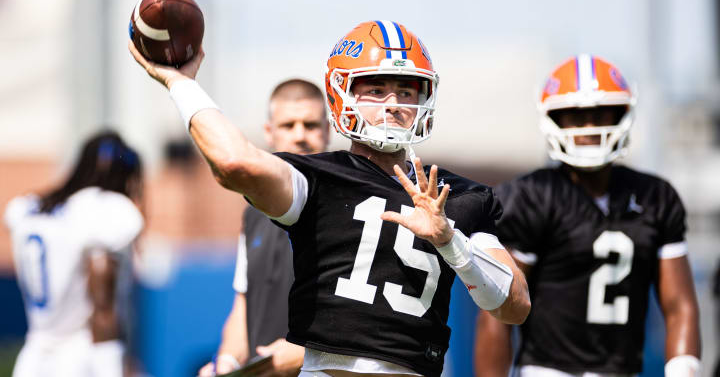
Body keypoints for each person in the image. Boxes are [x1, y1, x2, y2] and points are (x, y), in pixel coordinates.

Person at [130, 20, 530, 377]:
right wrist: (181, 83)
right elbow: (235, 163)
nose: (393, 104)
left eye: (406, 90)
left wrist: (450, 240)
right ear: (343, 94)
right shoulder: (319, 177)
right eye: (376, 89)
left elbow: (514, 306)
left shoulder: (453, 194)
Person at [474, 55, 701, 377]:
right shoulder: (533, 196)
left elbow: (680, 306)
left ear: (623, 114)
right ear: (553, 120)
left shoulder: (656, 197)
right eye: (576, 117)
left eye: (601, 114)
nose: (590, 127)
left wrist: (684, 369)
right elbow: (498, 309)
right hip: (548, 371)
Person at [198, 79, 331, 376]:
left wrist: (304, 353)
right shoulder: (253, 215)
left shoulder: (347, 207)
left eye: (310, 125)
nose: (300, 136)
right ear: (269, 133)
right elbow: (245, 304)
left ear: (327, 131)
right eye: (288, 125)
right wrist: (226, 363)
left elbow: (369, 318)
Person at [4, 130, 144, 377]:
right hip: (79, 358)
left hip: (33, 356)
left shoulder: (28, 208)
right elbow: (102, 299)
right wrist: (110, 368)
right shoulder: (102, 209)